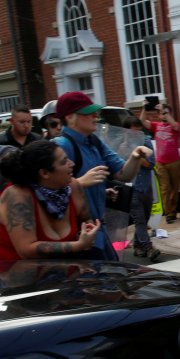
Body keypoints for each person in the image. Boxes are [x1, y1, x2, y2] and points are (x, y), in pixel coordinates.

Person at [52, 92, 153, 261]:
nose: (95, 115)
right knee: (101, 282)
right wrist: (80, 183)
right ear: (70, 117)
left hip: (98, 231)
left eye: (95, 111)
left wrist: (135, 156)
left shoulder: (95, 142)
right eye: (88, 112)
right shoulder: (60, 146)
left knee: (111, 279)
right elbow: (46, 191)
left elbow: (123, 174)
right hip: (77, 235)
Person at [0, 140, 99, 260]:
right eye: (64, 161)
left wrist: (89, 231)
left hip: (60, 271)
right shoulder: (17, 195)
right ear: (44, 173)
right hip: (10, 274)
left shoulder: (73, 186)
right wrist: (79, 245)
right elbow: (26, 250)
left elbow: (85, 219)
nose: (72, 163)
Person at [123, 116, 160, 262]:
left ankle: (137, 244)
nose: (137, 134)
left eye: (139, 130)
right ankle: (148, 247)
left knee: (144, 219)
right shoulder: (123, 145)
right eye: (134, 131)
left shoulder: (146, 143)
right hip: (132, 188)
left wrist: (137, 155)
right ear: (126, 131)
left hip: (146, 186)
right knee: (139, 219)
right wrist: (128, 150)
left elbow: (150, 164)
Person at [140, 101, 180, 224]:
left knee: (175, 189)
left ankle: (173, 211)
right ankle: (168, 214)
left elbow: (174, 125)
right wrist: (144, 108)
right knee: (165, 188)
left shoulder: (175, 125)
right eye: (162, 113)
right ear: (159, 115)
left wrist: (165, 111)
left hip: (174, 161)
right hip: (160, 162)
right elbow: (143, 121)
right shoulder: (156, 126)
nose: (164, 115)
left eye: (166, 113)